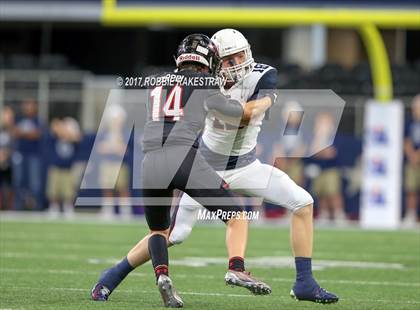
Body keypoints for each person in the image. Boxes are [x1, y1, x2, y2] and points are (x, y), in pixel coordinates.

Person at [92, 29, 339, 305]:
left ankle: (304, 282)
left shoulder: (261, 74)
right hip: (205, 165)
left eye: (240, 57)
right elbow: (243, 117)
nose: (237, 65)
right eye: (229, 60)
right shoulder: (205, 81)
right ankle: (112, 275)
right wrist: (268, 100)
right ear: (214, 61)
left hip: (246, 165)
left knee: (303, 202)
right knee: (175, 234)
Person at [310, 112, 346, 225]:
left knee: (333, 192)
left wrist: (320, 151)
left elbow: (331, 153)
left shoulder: (335, 136)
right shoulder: (316, 136)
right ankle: (324, 213)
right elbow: (312, 151)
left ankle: (338, 213)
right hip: (319, 169)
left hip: (331, 169)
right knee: (321, 193)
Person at [13, 99, 44, 210]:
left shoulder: (37, 120)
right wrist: (27, 133)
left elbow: (37, 134)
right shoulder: (18, 119)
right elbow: (14, 132)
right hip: (19, 154)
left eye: (29, 105)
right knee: (18, 181)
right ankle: (18, 207)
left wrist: (22, 133)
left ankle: (37, 207)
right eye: (25, 105)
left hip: (33, 155)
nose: (27, 107)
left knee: (35, 183)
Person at [46, 118, 81, 216]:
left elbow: (77, 137)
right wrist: (62, 131)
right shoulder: (55, 137)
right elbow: (54, 125)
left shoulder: (73, 139)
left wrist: (67, 134)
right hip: (56, 167)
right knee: (53, 189)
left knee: (68, 190)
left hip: (68, 168)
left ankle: (68, 207)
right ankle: (54, 207)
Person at [403, 94, 420, 226]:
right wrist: (412, 156)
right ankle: (411, 214)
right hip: (412, 162)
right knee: (411, 189)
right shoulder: (410, 122)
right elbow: (406, 141)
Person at [0, 106, 15, 210]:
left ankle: (10, 207)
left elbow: (16, 145)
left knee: (11, 184)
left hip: (11, 161)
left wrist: (6, 154)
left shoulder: (14, 130)